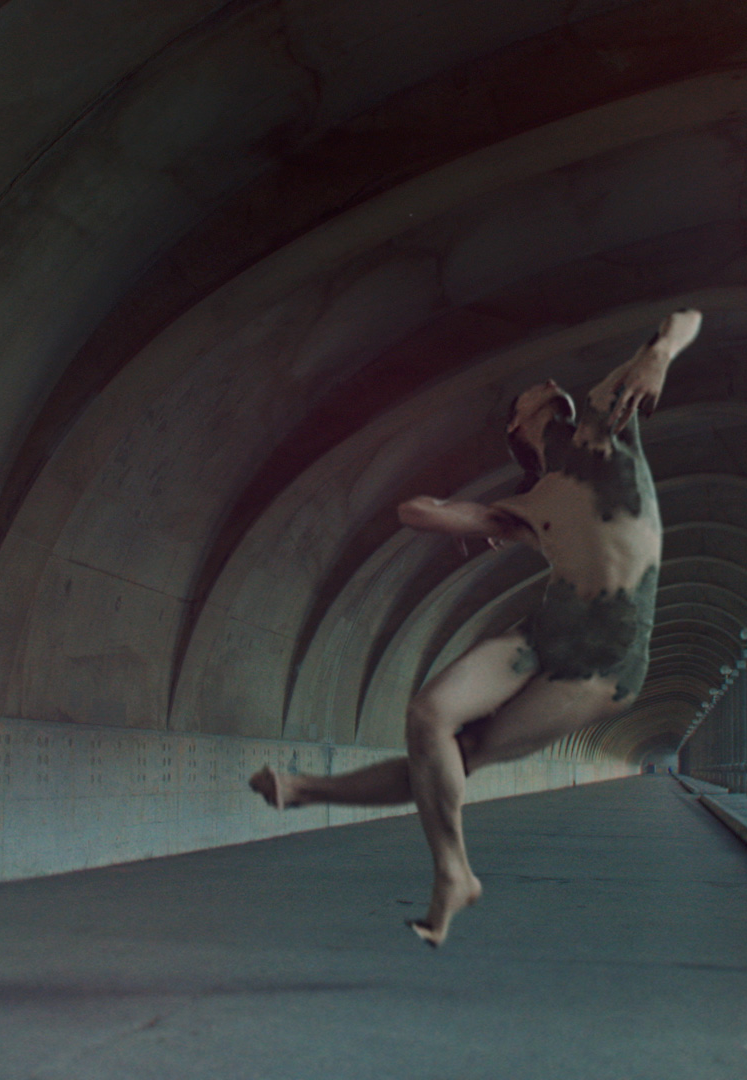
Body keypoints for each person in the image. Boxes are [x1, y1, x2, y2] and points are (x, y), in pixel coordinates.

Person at [251, 309, 702, 946]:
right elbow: (416, 514)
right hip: (543, 631)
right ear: (518, 425)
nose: (551, 384)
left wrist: (658, 355)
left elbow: (686, 318)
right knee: (427, 717)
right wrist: (469, 512)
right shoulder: (523, 507)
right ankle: (449, 870)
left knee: (461, 757)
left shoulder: (604, 425)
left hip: (607, 656)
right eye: (534, 392)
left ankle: (308, 791)